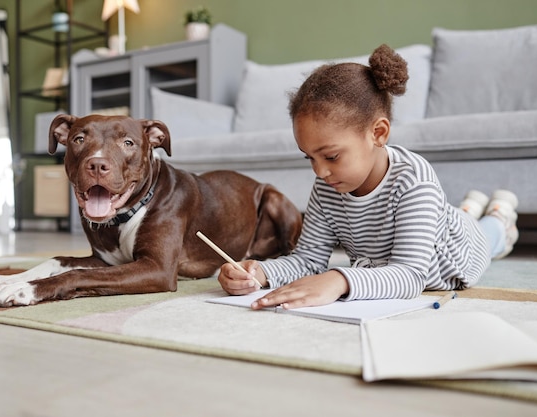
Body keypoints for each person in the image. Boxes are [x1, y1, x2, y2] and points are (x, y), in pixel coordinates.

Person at [217, 44, 519, 310]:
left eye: (331, 156)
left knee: (487, 236)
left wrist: (338, 280)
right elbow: (308, 261)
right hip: (437, 223)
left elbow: (411, 276)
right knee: (453, 215)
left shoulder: (414, 180)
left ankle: (499, 218)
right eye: (309, 157)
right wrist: (260, 272)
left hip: (461, 252)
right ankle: (469, 207)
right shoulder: (327, 186)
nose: (319, 171)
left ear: (378, 133)